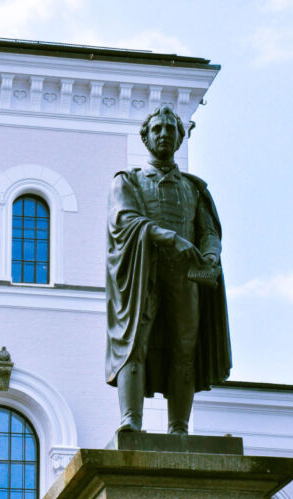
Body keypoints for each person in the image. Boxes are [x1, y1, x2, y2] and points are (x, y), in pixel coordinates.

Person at [106, 105, 231, 435]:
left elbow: (208, 232)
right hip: (142, 273)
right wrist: (170, 239)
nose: (164, 134)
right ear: (146, 137)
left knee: (184, 347)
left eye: (170, 130)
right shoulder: (129, 181)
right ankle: (131, 421)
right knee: (135, 343)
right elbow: (125, 220)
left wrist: (211, 255)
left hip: (186, 276)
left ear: (180, 138)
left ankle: (179, 427)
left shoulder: (194, 188)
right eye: (157, 129)